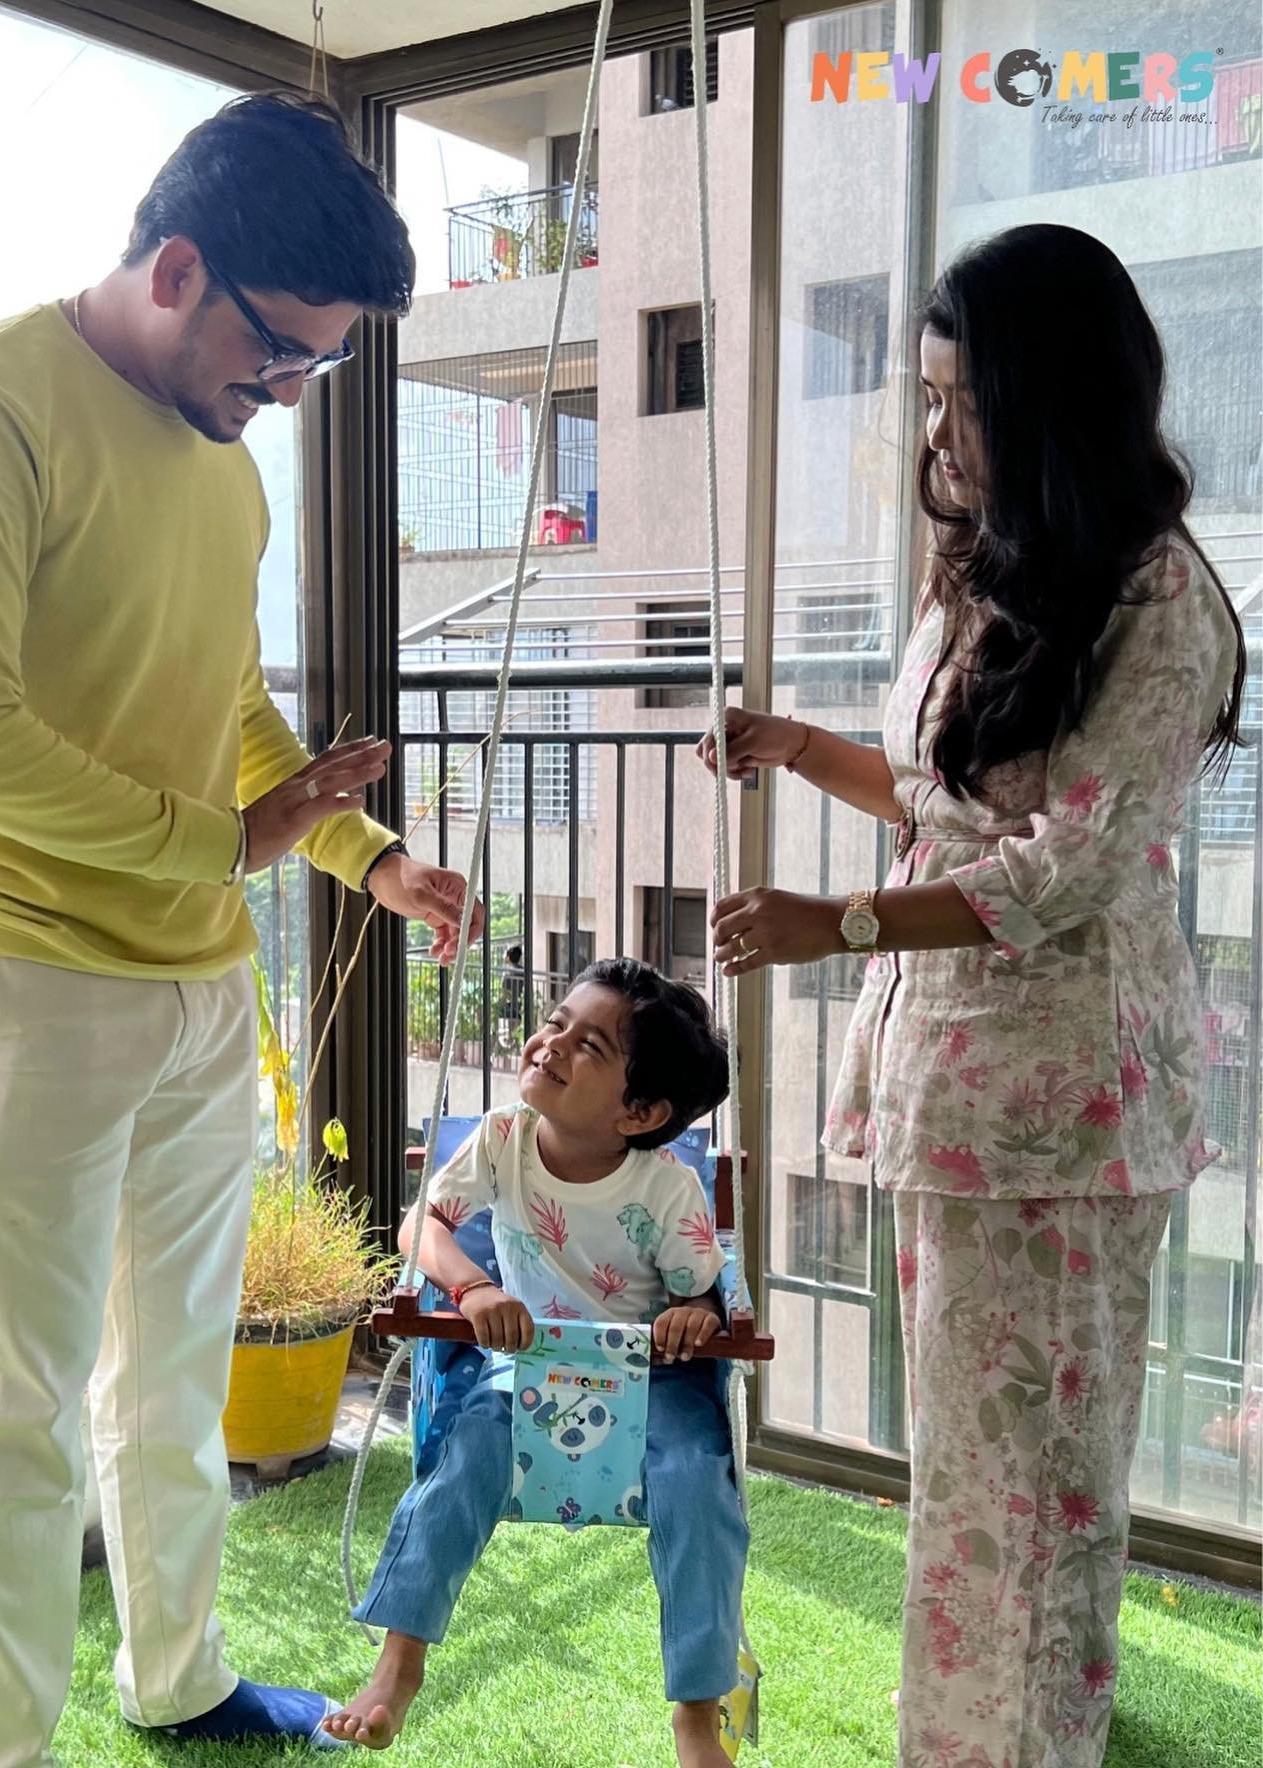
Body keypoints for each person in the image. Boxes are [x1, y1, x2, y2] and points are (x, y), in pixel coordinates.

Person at [0, 93, 483, 1768]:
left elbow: (232, 710)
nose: (281, 398)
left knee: (173, 1369)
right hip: (20, 979)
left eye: (314, 375)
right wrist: (227, 842)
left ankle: (178, 1675)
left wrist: (361, 858)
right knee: (17, 1405)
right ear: (178, 266)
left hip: (199, 977)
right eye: (276, 353)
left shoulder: (227, 476)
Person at [697, 224, 1245, 1768]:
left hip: (1068, 1115)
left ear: (1055, 397)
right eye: (927, 400)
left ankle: (1014, 1743)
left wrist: (838, 926)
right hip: (954, 1091)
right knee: (972, 1474)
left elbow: (1062, 868)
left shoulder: (1161, 603)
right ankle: (971, 1735)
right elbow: (954, 803)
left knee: (1044, 1487)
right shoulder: (989, 569)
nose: (937, 436)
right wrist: (801, 746)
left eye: (963, 401)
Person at [325, 958, 748, 1768]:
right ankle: (397, 1666)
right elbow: (423, 1227)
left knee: (698, 1483)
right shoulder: (503, 1140)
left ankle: (698, 1713)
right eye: (556, 1022)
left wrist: (691, 1319)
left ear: (641, 1111)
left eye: (587, 1044)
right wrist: (474, 1288)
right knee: (460, 1462)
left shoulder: (667, 1189)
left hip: (644, 1378)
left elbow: (703, 1298)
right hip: (525, 1366)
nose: (548, 1043)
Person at [495, 941, 526, 1054]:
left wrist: (501, 1001)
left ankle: (506, 1046)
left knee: (503, 1018)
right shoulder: (523, 971)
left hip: (510, 1004)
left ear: (508, 957)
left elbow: (504, 992)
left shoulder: (507, 973)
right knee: (516, 1023)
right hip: (520, 1002)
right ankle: (516, 1044)